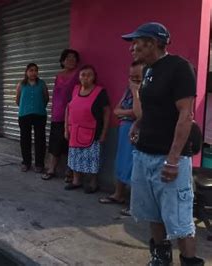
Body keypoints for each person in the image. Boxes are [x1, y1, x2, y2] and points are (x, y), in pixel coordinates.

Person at [122, 22, 204, 266]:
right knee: (152, 213)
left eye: (136, 42)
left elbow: (185, 115)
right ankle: (160, 257)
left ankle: (189, 261)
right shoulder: (148, 71)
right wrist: (138, 125)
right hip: (143, 155)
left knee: (179, 220)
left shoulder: (179, 68)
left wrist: (173, 159)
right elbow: (152, 108)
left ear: (154, 42)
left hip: (169, 160)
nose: (131, 48)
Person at [98, 61, 144, 216]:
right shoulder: (127, 90)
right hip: (124, 130)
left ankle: (135, 204)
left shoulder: (145, 90)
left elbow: (140, 114)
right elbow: (116, 111)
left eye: (137, 77)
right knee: (121, 161)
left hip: (138, 132)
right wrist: (129, 111)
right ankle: (118, 194)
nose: (133, 81)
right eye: (131, 77)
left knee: (134, 166)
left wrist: (136, 92)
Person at [64, 65, 110, 193]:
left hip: (92, 131)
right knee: (74, 157)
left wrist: (104, 132)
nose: (85, 77)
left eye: (89, 75)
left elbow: (106, 112)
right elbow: (68, 109)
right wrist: (66, 129)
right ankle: (76, 181)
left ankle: (93, 183)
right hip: (74, 130)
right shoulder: (75, 90)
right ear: (79, 77)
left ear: (94, 77)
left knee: (92, 159)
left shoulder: (100, 92)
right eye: (83, 74)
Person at [43, 49, 80, 180]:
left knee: (71, 143)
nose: (71, 60)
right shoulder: (58, 76)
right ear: (62, 61)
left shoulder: (79, 75)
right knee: (55, 143)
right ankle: (51, 169)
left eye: (74, 58)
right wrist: (53, 112)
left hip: (72, 114)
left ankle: (69, 172)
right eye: (68, 58)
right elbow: (55, 96)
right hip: (58, 114)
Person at [15, 63, 49, 173]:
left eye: (35, 70)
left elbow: (46, 98)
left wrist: (38, 107)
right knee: (25, 140)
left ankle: (39, 164)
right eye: (31, 70)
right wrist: (26, 108)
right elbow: (17, 100)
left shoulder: (42, 84)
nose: (33, 73)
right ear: (26, 72)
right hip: (24, 115)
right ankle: (26, 163)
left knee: (40, 140)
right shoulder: (21, 84)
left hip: (40, 115)